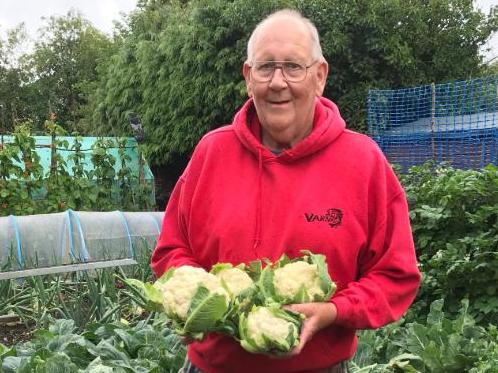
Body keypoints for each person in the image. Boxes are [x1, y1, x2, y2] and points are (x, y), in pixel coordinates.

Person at [151, 9, 421, 373]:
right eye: (265, 68)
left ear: (320, 76)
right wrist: (197, 302)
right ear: (249, 78)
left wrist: (332, 311)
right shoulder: (212, 153)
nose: (278, 82)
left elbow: (395, 276)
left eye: (294, 67)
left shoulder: (363, 162)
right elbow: (171, 249)